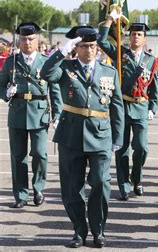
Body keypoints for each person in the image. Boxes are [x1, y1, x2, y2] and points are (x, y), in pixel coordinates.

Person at [40, 26, 124, 248]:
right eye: (84, 46)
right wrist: (60, 53)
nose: (89, 50)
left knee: (100, 182)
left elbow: (117, 106)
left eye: (93, 46)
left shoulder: (109, 72)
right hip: (71, 134)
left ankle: (99, 230)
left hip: (101, 134)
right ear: (76, 48)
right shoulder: (66, 68)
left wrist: (118, 137)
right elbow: (45, 74)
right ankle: (79, 230)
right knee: (71, 187)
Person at [98, 11, 158, 201]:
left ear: (144, 38)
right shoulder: (119, 53)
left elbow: (154, 88)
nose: (135, 37)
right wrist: (109, 21)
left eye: (139, 35)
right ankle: (124, 185)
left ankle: (137, 179)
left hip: (141, 108)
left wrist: (152, 108)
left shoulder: (150, 60)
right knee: (122, 149)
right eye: (132, 34)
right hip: (122, 106)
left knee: (141, 147)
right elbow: (101, 40)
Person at [0, 22, 62, 209]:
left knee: (40, 154)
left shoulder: (45, 61)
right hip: (18, 112)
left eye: (31, 39)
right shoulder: (11, 61)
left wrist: (57, 114)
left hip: (40, 112)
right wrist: (6, 93)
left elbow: (55, 90)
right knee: (18, 157)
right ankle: (21, 195)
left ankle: (38, 188)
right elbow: (1, 85)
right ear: (19, 40)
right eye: (24, 39)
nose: (27, 42)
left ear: (37, 40)